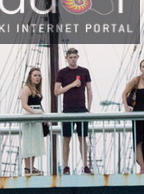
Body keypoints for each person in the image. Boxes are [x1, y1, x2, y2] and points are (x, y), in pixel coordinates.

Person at [54, 47, 93, 175]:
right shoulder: (62, 73)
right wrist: (71, 85)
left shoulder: (84, 71)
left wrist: (89, 108)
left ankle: (85, 165)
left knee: (83, 137)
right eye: (70, 57)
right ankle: (66, 166)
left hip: (81, 108)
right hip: (68, 109)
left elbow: (89, 90)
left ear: (77, 57)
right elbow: (57, 91)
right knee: (66, 138)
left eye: (74, 57)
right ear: (66, 58)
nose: (72, 59)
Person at [122, 58, 144, 174]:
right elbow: (124, 93)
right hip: (138, 114)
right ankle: (142, 167)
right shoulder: (136, 81)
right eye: (143, 66)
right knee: (139, 141)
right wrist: (126, 106)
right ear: (140, 68)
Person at [18, 67, 45, 176]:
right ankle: (27, 167)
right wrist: (34, 113)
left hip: (37, 117)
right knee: (28, 141)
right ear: (30, 76)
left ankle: (31, 166)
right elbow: (24, 105)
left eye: (39, 75)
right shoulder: (26, 89)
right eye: (35, 75)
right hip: (29, 117)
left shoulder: (37, 89)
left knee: (35, 142)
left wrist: (43, 114)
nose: (37, 77)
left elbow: (39, 104)